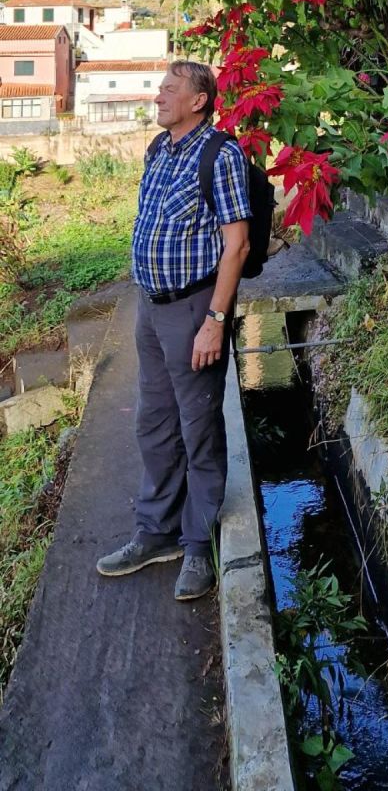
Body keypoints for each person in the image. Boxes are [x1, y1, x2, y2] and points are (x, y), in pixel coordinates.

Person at [97, 60, 250, 600]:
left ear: (199, 100)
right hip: (150, 307)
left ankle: (196, 545)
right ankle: (155, 531)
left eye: (170, 89)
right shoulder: (158, 150)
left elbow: (237, 245)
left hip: (192, 311)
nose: (159, 95)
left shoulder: (221, 155)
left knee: (199, 427)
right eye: (160, 87)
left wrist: (215, 320)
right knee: (154, 421)